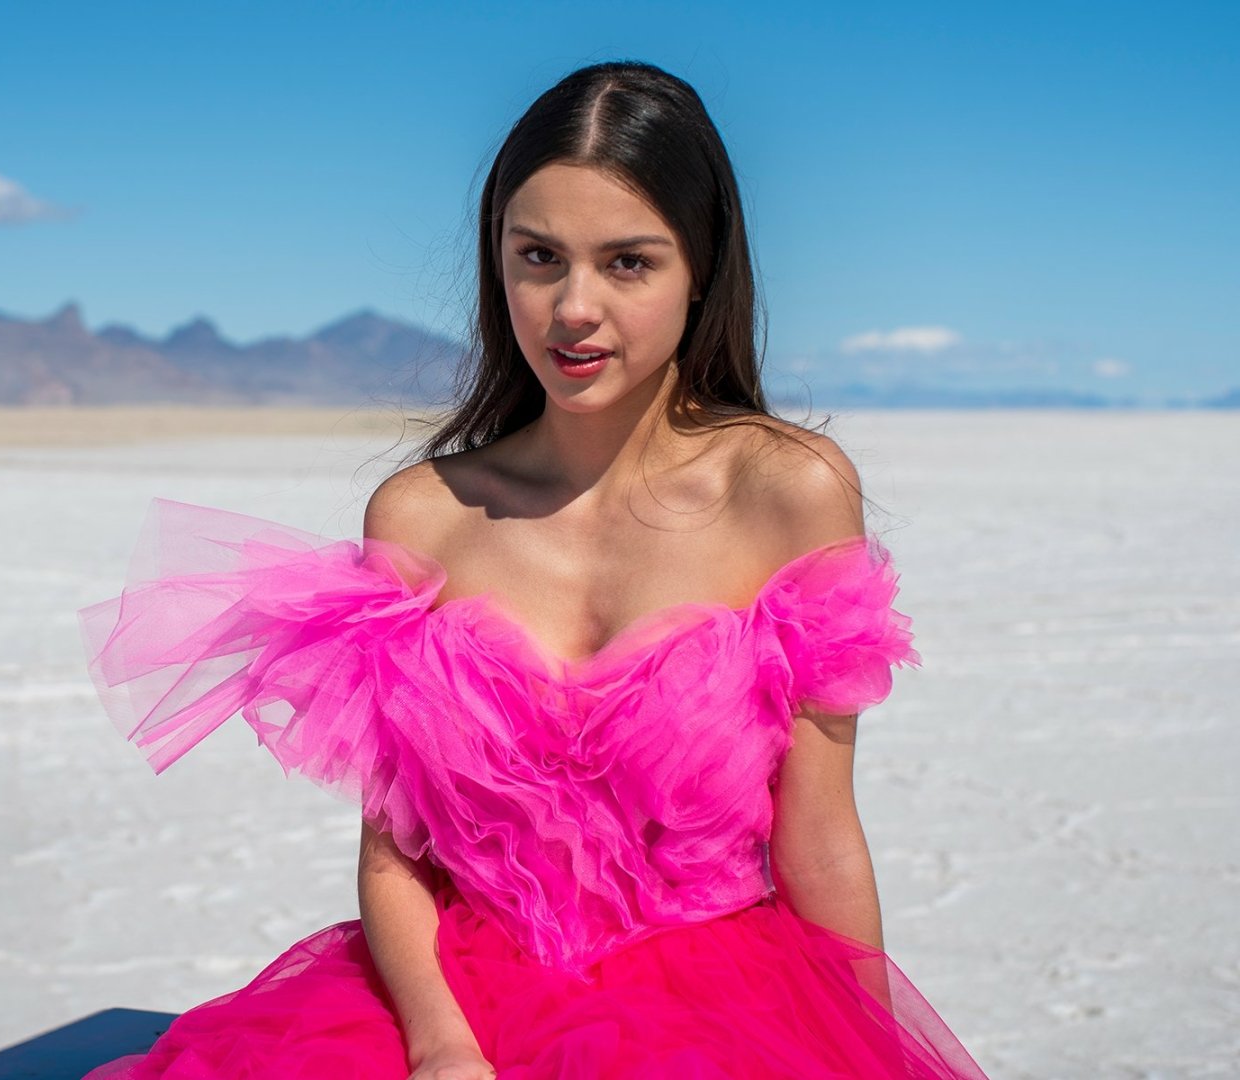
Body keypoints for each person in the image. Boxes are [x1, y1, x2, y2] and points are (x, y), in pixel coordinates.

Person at [76, 60, 988, 1079]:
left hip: (721, 1015)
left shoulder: (791, 493)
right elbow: (393, 858)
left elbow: (818, 842)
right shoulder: (423, 515)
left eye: (628, 262)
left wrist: (866, 1051)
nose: (573, 308)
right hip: (452, 1007)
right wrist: (442, 1049)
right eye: (539, 257)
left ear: (702, 268)